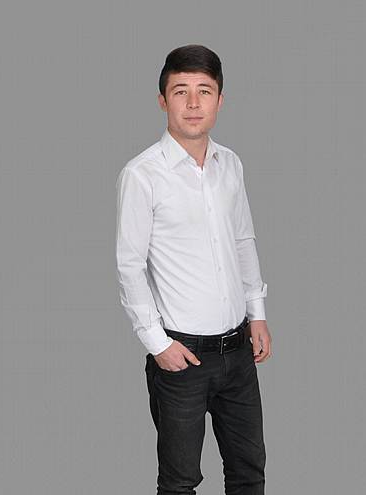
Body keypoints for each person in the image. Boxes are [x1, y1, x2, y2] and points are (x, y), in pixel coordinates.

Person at [115, 44, 272, 495]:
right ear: (162, 100)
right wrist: (157, 344)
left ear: (220, 100)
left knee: (248, 472)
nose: (193, 102)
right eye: (180, 91)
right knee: (180, 482)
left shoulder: (230, 164)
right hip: (180, 356)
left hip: (238, 351)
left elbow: (242, 240)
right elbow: (129, 265)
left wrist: (257, 314)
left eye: (204, 90)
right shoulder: (143, 174)